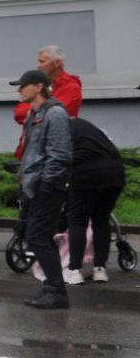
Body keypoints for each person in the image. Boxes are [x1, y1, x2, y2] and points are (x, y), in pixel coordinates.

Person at [13, 69, 72, 309]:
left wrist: (46, 184)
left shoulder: (55, 114)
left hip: (47, 187)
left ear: (38, 87)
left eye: (23, 85)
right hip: (34, 186)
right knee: (37, 237)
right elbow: (31, 152)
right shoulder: (34, 114)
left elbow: (59, 154)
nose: (19, 90)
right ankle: (52, 288)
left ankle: (56, 291)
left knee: (38, 236)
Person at [64, 116, 124, 285]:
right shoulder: (86, 127)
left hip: (86, 174)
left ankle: (74, 270)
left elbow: (60, 156)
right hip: (115, 173)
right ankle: (100, 269)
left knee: (77, 221)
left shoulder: (59, 128)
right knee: (101, 221)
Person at [13, 45, 81, 157]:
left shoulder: (70, 86)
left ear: (57, 63)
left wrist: (34, 108)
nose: (38, 66)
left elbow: (52, 114)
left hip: (49, 151)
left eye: (42, 62)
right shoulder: (42, 83)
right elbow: (19, 113)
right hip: (31, 150)